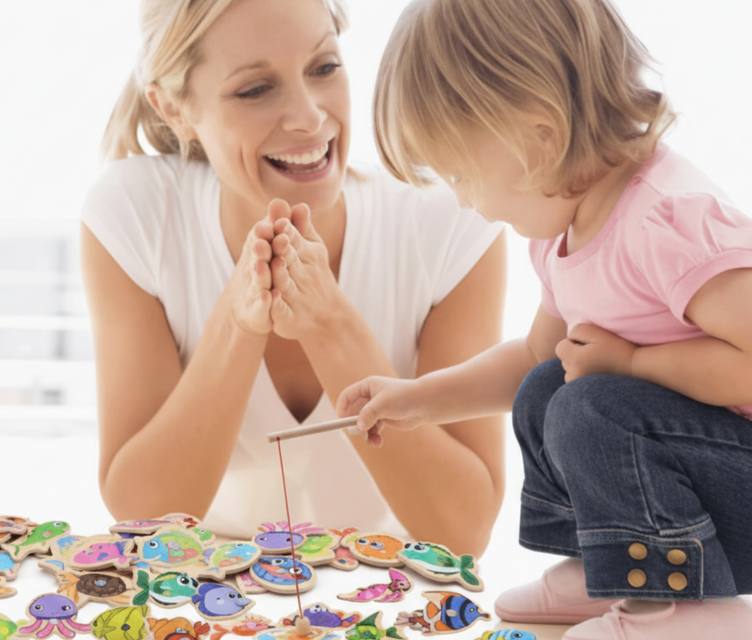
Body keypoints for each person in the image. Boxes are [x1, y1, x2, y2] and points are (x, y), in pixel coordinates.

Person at [336, 0, 752, 637]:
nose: (464, 201)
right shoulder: (563, 231)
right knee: (549, 384)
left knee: (590, 405)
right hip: (700, 483)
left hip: (736, 491)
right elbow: (536, 354)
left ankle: (690, 607)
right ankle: (608, 565)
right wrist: (421, 399)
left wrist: (632, 363)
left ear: (540, 138)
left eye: (461, 173)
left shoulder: (666, 221)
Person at [79, 0, 508, 554]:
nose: (308, 116)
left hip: (391, 588)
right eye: (255, 89)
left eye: (324, 67)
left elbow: (463, 531)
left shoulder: (451, 218)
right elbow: (144, 517)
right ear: (174, 109)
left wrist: (331, 326)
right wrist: (238, 324)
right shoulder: (135, 214)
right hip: (205, 586)